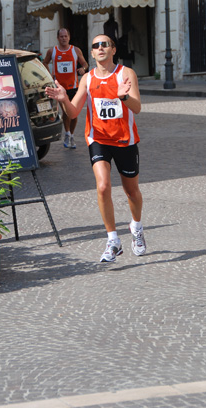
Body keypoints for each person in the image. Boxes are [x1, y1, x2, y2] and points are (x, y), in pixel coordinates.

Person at [45, 34, 146, 263]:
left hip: (125, 139)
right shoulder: (87, 79)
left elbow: (137, 107)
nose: (100, 48)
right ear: (91, 53)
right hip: (98, 138)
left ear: (112, 50)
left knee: (132, 191)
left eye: (104, 44)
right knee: (102, 187)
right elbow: (73, 112)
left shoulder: (126, 73)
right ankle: (113, 240)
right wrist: (63, 98)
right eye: (95, 46)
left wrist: (124, 97)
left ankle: (136, 227)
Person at [43, 28, 88, 149]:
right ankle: (67, 134)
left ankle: (72, 135)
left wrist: (83, 69)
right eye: (61, 36)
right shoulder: (52, 51)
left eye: (65, 36)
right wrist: (49, 76)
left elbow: (85, 63)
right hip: (59, 87)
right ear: (58, 38)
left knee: (74, 112)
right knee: (66, 112)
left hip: (73, 86)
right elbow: (45, 62)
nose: (63, 38)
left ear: (69, 37)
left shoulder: (75, 50)